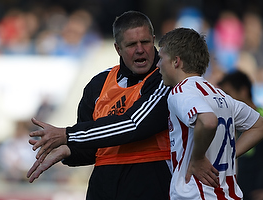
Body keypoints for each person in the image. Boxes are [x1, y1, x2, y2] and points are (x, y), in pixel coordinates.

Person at [27, 11, 172, 200]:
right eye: (131, 44)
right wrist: (69, 150)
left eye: (145, 42)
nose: (140, 50)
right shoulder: (98, 85)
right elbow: (92, 145)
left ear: (154, 40)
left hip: (151, 186)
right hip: (103, 189)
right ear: (117, 48)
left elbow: (133, 125)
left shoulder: (165, 78)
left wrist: (68, 135)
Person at [156, 27, 263, 199]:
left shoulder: (181, 91)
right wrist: (230, 155)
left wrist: (198, 159)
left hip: (197, 194)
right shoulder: (220, 95)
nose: (158, 65)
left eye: (161, 59)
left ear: (176, 61)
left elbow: (208, 121)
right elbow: (259, 125)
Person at [218, 70, 263, 200]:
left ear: (243, 91)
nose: (224, 100)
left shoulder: (261, 119)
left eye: (228, 94)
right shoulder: (227, 122)